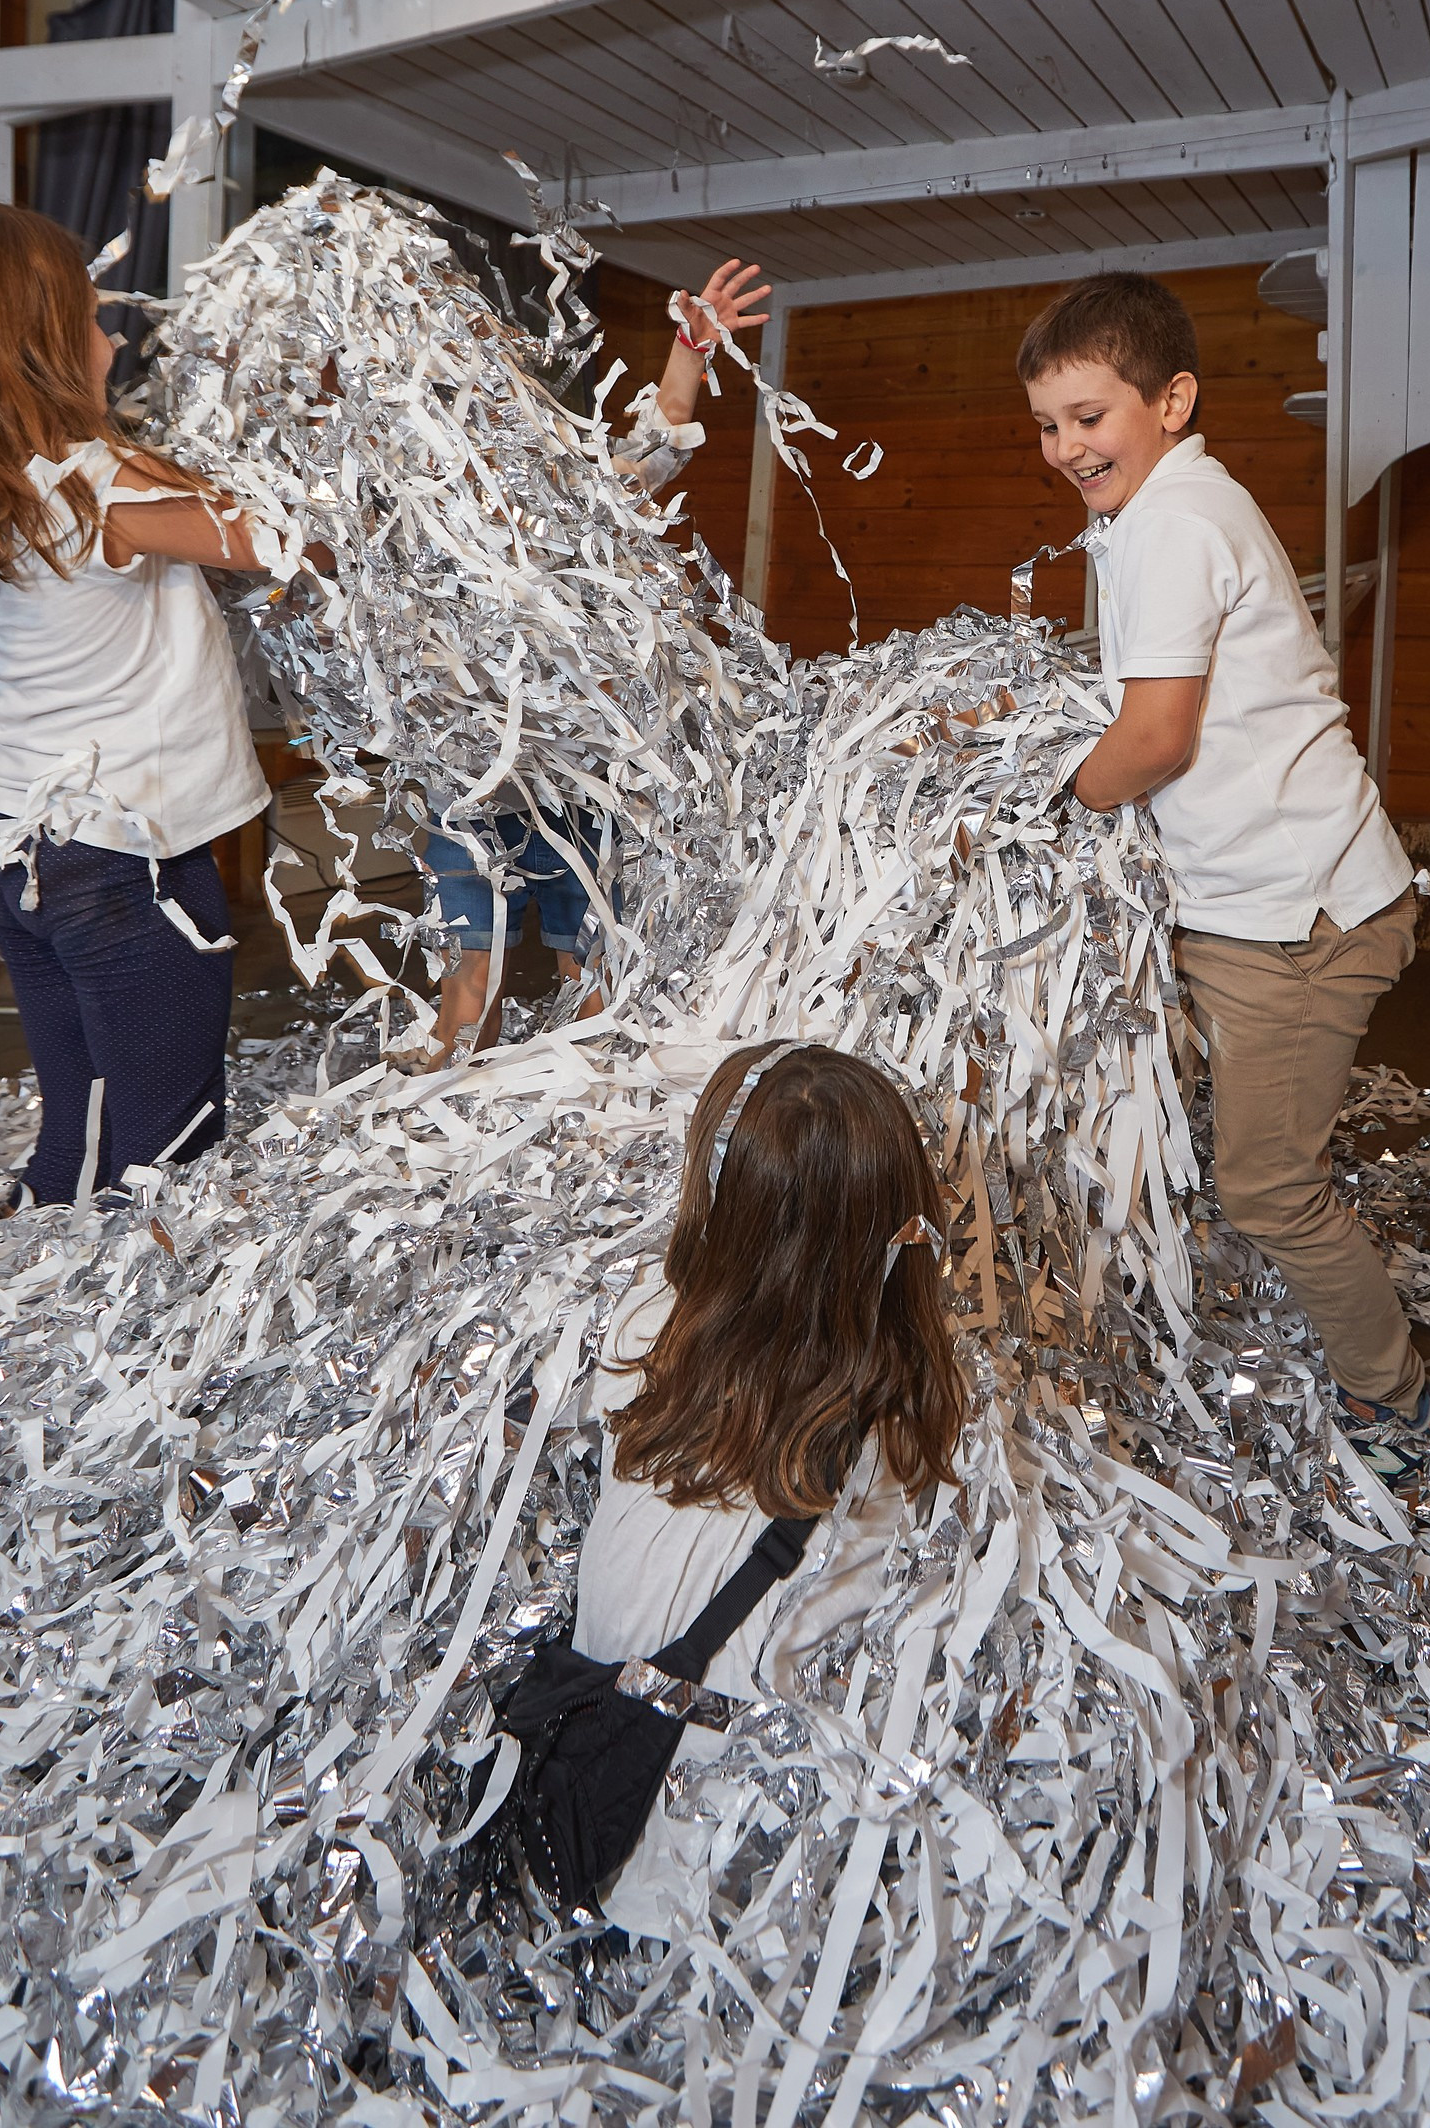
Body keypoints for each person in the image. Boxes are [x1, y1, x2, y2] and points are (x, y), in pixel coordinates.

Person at [1017, 273, 1430, 1499]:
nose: (1064, 448)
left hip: (1293, 919)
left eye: (1089, 417)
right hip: (1249, 901)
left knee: (1268, 1186)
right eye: (1047, 425)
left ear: (1171, 402)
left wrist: (1046, 799)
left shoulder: (1173, 523)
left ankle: (1402, 1405)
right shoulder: (1164, 509)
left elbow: (1154, 739)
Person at [0, 198, 294, 1207]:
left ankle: (51, 1243)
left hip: (13, 846)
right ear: (31, 349)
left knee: (79, 1123)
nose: (112, 341)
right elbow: (273, 539)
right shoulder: (101, 484)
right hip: (125, 860)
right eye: (90, 320)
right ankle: (148, 1286)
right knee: (166, 1145)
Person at [574, 1040, 964, 1937]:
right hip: (726, 1885)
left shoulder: (645, 1328)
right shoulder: (893, 1439)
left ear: (719, 1204)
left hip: (588, 1774)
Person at [421, 257, 771, 1062]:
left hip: (580, 789)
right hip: (469, 793)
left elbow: (654, 449)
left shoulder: (567, 494)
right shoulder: (413, 522)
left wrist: (691, 349)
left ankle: (587, 1117)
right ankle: (446, 1108)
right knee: (469, 986)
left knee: (594, 983)